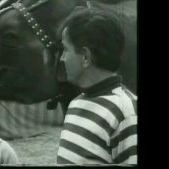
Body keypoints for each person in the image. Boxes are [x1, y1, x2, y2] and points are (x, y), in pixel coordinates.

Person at [56, 7, 137, 165]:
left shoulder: (127, 113)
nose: (62, 59)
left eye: (65, 49)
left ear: (85, 57)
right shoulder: (76, 103)